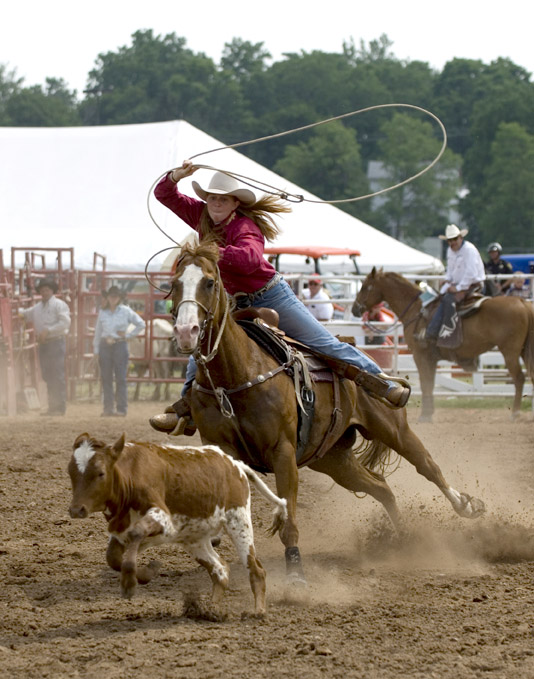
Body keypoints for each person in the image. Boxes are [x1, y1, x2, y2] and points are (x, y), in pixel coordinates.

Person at [149, 161, 410, 434]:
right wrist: (176, 175)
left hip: (271, 296)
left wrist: (213, 252)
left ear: (234, 203)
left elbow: (249, 259)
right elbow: (164, 194)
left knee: (322, 343)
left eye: (222, 199)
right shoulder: (200, 215)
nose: (216, 203)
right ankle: (186, 409)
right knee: (202, 350)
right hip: (234, 300)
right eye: (212, 197)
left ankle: (383, 384)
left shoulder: (245, 227)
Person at [425, 224, 486, 342]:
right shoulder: (450, 251)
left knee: (447, 300)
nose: (452, 242)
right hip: (458, 284)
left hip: (472, 285)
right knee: (437, 298)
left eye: (454, 239)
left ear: (460, 238)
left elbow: (471, 273)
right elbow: (451, 271)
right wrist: (447, 280)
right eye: (450, 240)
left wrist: (458, 288)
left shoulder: (469, 250)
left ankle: (436, 332)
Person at [19, 279, 71, 416]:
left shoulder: (59, 305)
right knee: (48, 375)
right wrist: (19, 311)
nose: (44, 292)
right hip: (45, 344)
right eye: (42, 290)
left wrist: (48, 330)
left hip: (55, 341)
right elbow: (25, 314)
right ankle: (53, 406)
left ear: (52, 291)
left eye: (47, 289)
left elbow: (65, 323)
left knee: (57, 375)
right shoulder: (37, 308)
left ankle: (59, 407)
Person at [93, 285, 145, 416]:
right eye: (111, 296)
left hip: (119, 344)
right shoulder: (103, 312)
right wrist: (96, 350)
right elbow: (98, 332)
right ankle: (108, 408)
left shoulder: (126, 311)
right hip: (106, 345)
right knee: (106, 378)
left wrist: (127, 336)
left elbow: (141, 324)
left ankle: (121, 409)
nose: (113, 298)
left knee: (120, 377)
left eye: (115, 296)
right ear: (108, 297)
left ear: (119, 298)